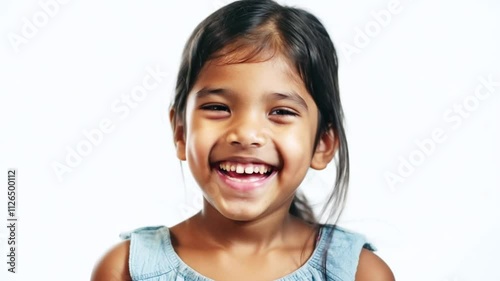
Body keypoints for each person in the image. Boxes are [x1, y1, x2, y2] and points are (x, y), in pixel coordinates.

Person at [91, 0, 395, 280]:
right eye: (218, 108)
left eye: (280, 112)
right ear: (181, 132)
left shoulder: (358, 273)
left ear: (323, 144)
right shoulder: (125, 270)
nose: (246, 134)